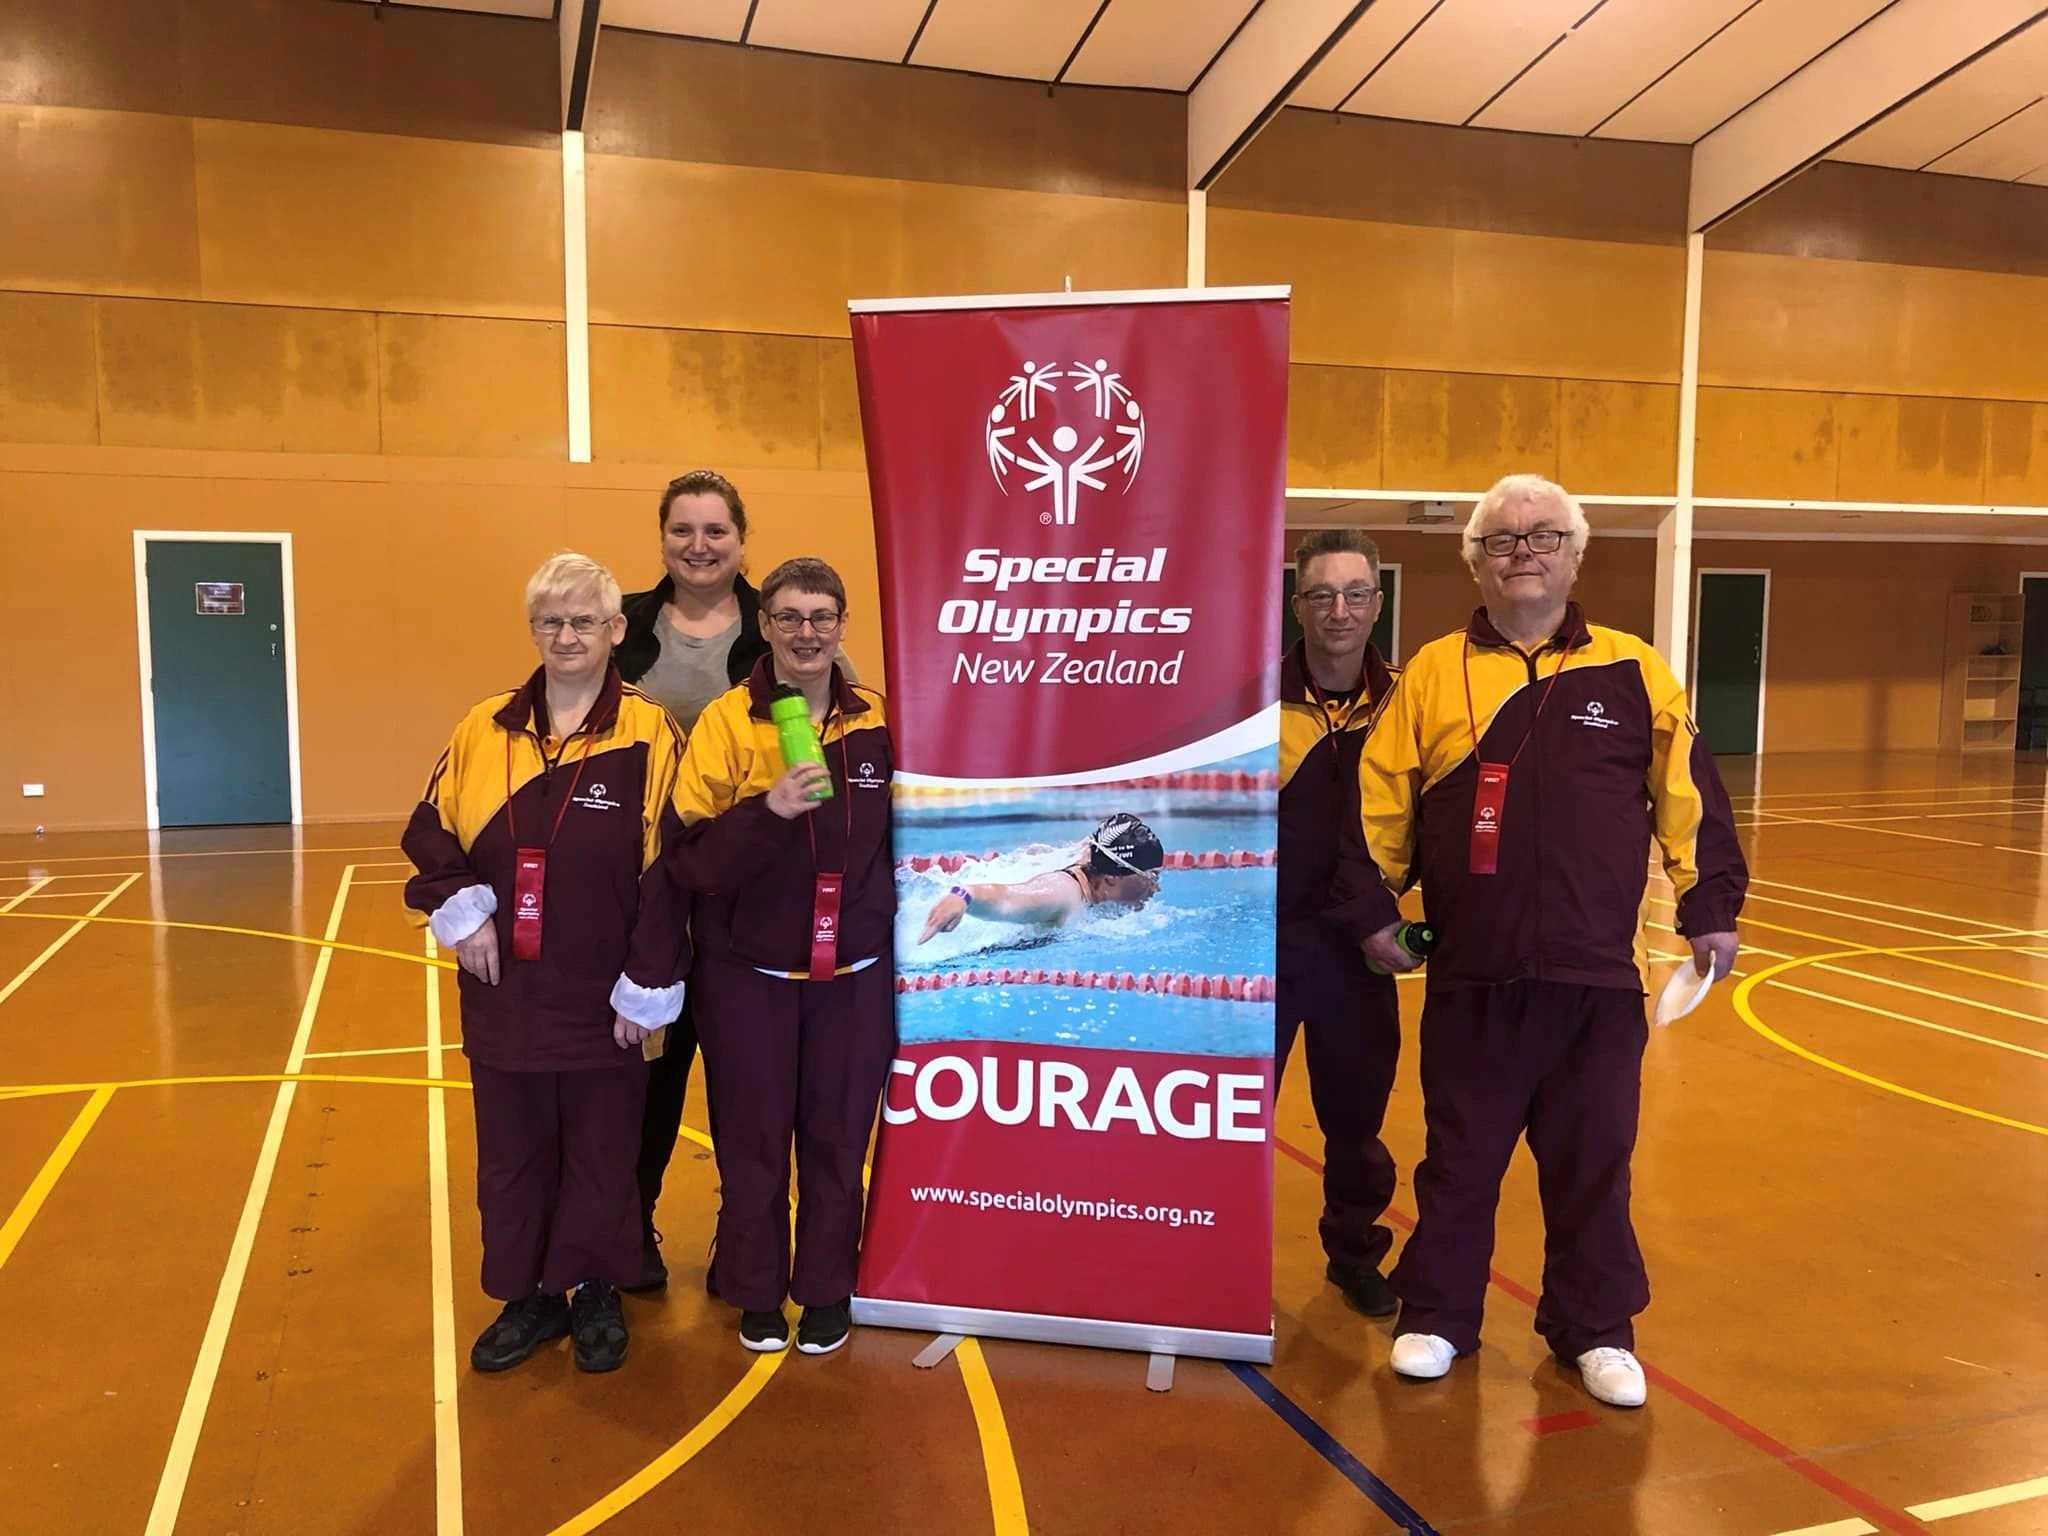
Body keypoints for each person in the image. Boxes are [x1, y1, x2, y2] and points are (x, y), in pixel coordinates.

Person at [1350, 474, 1746, 1408]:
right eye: (1501, 539)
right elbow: (1378, 811)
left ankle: (1595, 1329)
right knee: (1460, 1163)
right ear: (1475, 562)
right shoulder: (1432, 673)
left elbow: (1688, 794)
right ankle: (1438, 1317)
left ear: (1575, 553)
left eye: (1543, 536)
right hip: (1474, 979)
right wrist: (1373, 910)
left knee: (1593, 1164)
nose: (1522, 550)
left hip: (1596, 980)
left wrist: (1710, 905)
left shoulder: (1634, 668)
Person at [403, 552, 691, 1375]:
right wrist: (461, 909)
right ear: (533, 629)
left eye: (584, 621)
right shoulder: (481, 726)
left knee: (603, 1152)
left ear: (616, 630)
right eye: (552, 622)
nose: (567, 636)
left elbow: (668, 872)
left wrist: (649, 982)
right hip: (506, 994)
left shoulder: (651, 732)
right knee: (513, 1155)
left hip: (607, 998)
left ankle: (596, 1288)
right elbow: (427, 829)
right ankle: (527, 1296)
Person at [670, 557, 895, 1356]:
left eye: (822, 617)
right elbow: (688, 858)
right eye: (790, 617)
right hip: (750, 982)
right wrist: (767, 812)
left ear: (841, 625)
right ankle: (756, 1288)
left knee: (838, 1143)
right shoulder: (729, 724)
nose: (807, 633)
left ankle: (827, 1286)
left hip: (854, 984)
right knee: (753, 1144)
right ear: (764, 624)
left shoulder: (876, 719)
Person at [1277, 529, 1403, 1318]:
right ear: (1297, 605)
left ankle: (1353, 1254)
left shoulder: (1402, 704)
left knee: (1356, 1122)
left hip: (1358, 950)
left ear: (1378, 603)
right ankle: (1214, 1258)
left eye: (1356, 593)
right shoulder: (1254, 700)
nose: (1340, 611)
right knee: (1233, 1115)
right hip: (1265, 945)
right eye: (1321, 594)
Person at [913, 812, 1164, 945]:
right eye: (1151, 876)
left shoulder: (1095, 861)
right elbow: (1008, 899)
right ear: (1111, 878)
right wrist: (963, 897)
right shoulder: (1063, 894)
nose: (1156, 887)